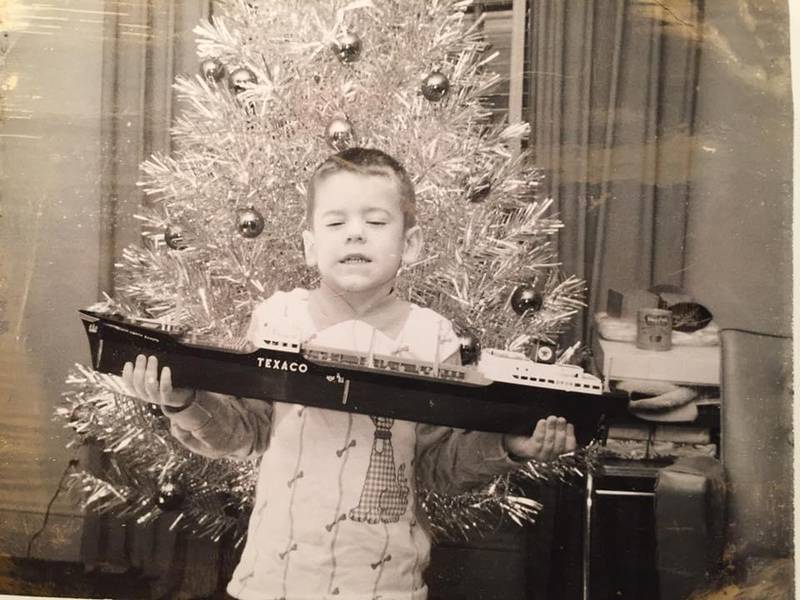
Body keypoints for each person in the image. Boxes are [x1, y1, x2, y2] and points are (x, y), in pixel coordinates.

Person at [122, 147, 576, 600]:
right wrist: (184, 402)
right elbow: (245, 433)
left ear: (410, 244)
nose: (355, 235)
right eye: (336, 223)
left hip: (387, 584)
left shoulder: (432, 336)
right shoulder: (278, 317)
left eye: (376, 222)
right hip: (275, 578)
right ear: (310, 244)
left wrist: (509, 445)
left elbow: (440, 465)